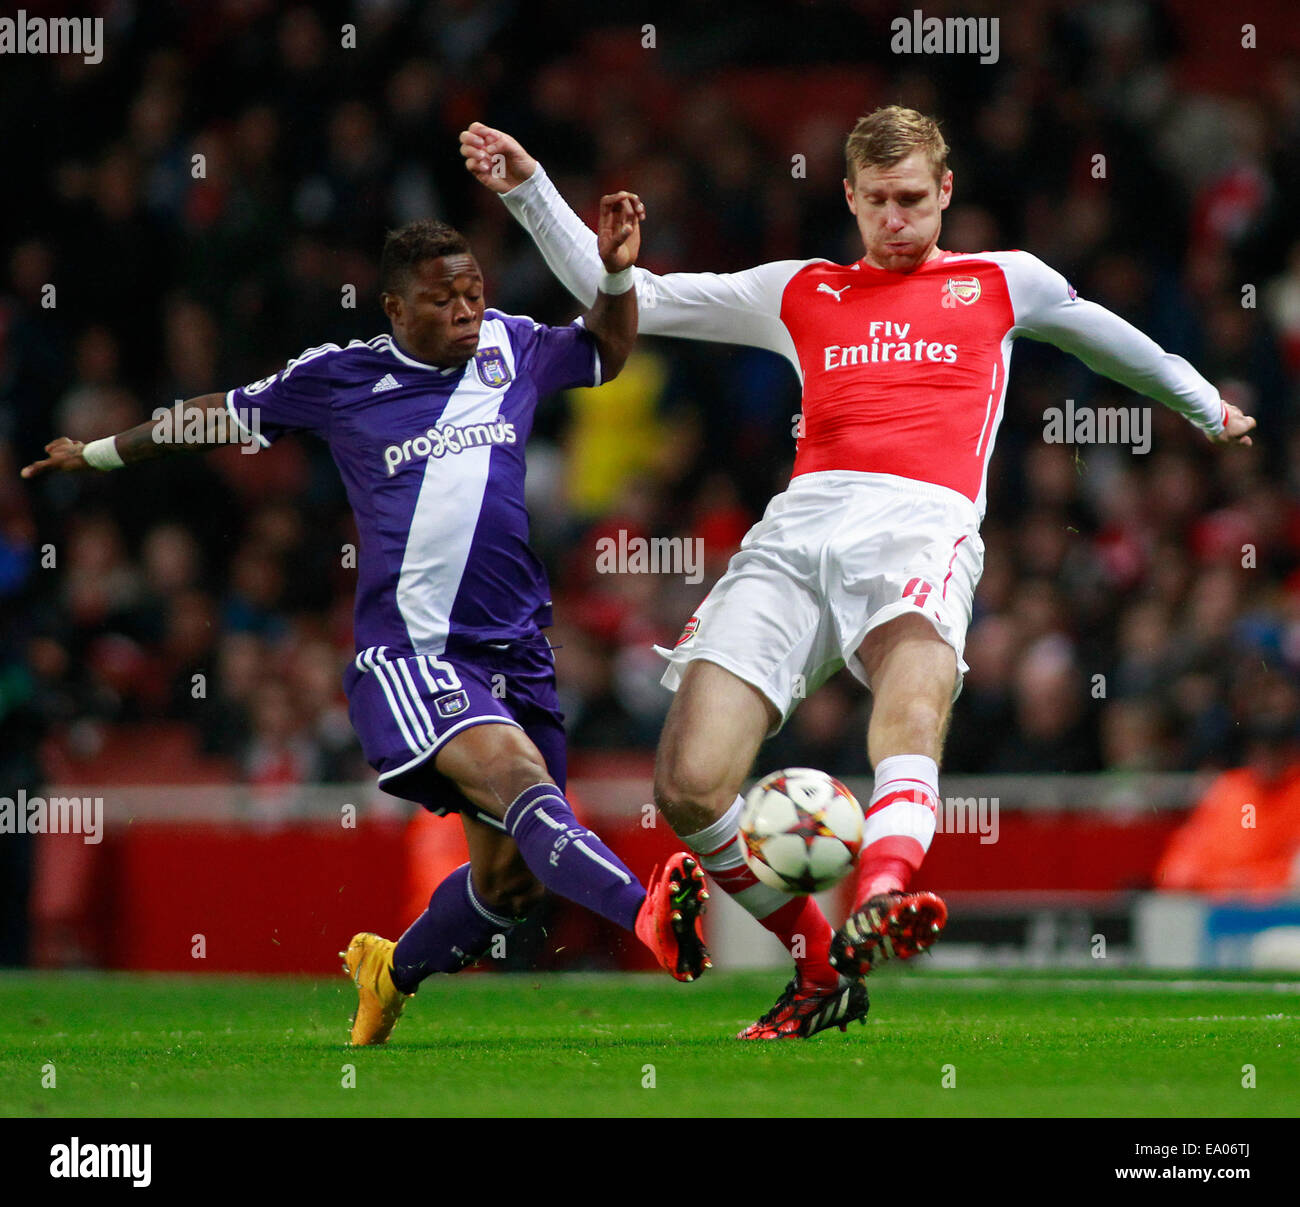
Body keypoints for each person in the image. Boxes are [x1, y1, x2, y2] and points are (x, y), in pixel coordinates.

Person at [460, 106, 1258, 1040]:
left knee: (912, 701)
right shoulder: (799, 290)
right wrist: (529, 191)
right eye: (876, 201)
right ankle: (817, 967)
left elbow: (1106, 338)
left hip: (921, 528)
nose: (896, 220)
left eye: (914, 200)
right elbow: (630, 294)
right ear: (848, 196)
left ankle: (881, 891)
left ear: (946, 193)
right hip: (798, 533)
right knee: (686, 781)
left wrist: (1206, 404)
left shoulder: (1004, 282)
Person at [20, 203, 711, 1046]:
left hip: (519, 653)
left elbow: (606, 349)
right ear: (395, 309)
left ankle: (388, 972)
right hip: (414, 654)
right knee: (516, 771)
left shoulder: (513, 345)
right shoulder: (341, 376)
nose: (465, 309)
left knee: (512, 887)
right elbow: (212, 414)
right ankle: (649, 917)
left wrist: (612, 275)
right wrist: (97, 452)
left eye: (473, 291)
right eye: (443, 297)